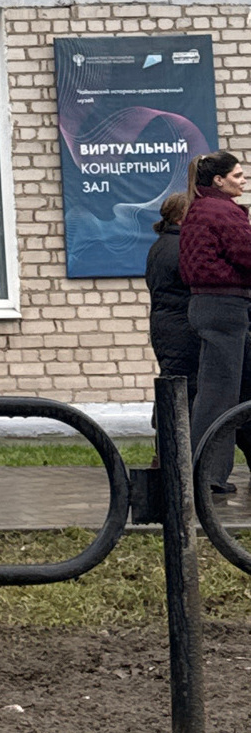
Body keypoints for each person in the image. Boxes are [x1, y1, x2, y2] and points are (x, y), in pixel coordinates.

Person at [180, 151, 251, 496]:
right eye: (237, 175)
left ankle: (204, 471)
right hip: (226, 305)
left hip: (205, 304)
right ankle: (207, 475)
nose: (243, 179)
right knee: (221, 394)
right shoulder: (223, 211)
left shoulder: (197, 208)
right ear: (219, 180)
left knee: (215, 391)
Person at [146, 192, 196, 411]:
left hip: (167, 325)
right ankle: (168, 429)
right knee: (183, 385)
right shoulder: (181, 247)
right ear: (180, 216)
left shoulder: (161, 245)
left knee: (173, 380)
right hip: (181, 326)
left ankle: (165, 426)